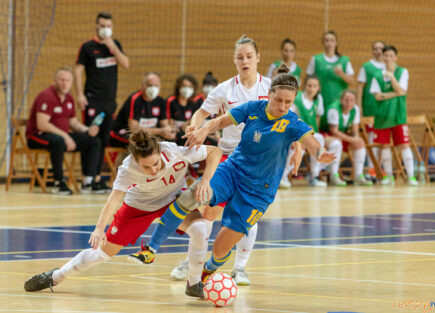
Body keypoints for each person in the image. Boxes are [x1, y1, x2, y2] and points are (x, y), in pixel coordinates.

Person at [128, 65, 335, 299]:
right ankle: (151, 249)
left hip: (258, 193)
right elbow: (220, 121)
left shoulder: (292, 122)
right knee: (193, 194)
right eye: (279, 100)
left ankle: (204, 276)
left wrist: (320, 154)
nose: (283, 107)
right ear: (269, 95)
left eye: (289, 102)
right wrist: (204, 130)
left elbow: (311, 141)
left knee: (222, 247)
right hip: (233, 171)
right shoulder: (253, 108)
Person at [161, 35, 289, 287]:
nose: (245, 60)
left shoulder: (270, 88)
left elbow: (289, 119)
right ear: (234, 59)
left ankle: (240, 268)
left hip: (258, 162)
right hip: (228, 156)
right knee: (206, 207)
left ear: (258, 58)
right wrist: (195, 126)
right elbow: (201, 112)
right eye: (240, 56)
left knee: (246, 215)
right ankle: (193, 262)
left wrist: (295, 148)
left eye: (249, 56)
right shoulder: (225, 89)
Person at [23, 130, 221, 292]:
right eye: (147, 167)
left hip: (173, 199)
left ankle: (193, 284)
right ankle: (56, 276)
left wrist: (205, 181)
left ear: (160, 153)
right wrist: (99, 228)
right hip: (139, 207)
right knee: (101, 254)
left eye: (156, 163)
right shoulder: (127, 169)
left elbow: (215, 152)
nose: (154, 170)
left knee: (200, 229)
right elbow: (113, 199)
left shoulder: (175, 151)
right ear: (136, 160)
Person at [74, 11, 129, 191]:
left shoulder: (115, 45)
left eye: (108, 26)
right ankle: (87, 179)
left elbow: (126, 64)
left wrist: (111, 44)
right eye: (102, 26)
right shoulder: (88, 47)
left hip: (109, 102)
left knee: (104, 139)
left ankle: (97, 178)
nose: (105, 29)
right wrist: (80, 94)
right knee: (91, 138)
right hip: (92, 101)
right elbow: (77, 70)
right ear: (97, 26)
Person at [26, 67, 101, 195]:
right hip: (37, 136)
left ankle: (88, 181)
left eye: (67, 80)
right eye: (61, 80)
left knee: (93, 141)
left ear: (71, 82)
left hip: (61, 136)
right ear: (54, 81)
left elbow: (73, 122)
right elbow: (42, 124)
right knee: (59, 141)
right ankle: (58, 182)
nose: (65, 83)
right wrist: (66, 136)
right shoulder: (47, 96)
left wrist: (87, 130)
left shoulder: (69, 98)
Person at [370, 45, 418, 186]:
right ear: (382, 57)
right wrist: (394, 93)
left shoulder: (403, 72)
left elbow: (401, 91)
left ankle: (411, 176)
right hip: (382, 115)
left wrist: (391, 77)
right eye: (386, 56)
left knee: (404, 144)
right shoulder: (377, 75)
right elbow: (378, 96)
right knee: (384, 146)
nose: (388, 58)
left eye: (391, 56)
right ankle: (389, 177)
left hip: (398, 114)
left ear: (396, 57)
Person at [287, 75, 343, 187]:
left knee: (336, 143)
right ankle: (314, 175)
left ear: (318, 88)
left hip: (312, 134)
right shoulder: (296, 99)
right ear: (304, 86)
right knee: (318, 138)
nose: (311, 88)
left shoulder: (319, 99)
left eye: (314, 86)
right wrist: (305, 128)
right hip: (296, 134)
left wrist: (311, 131)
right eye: (309, 85)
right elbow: (290, 120)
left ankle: (333, 175)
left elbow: (316, 123)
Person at [318, 90, 372, 186]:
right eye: (346, 100)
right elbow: (333, 131)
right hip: (325, 135)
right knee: (337, 143)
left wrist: (356, 139)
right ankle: (333, 175)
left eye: (352, 100)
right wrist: (353, 140)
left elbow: (355, 130)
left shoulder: (355, 110)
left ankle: (358, 176)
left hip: (342, 135)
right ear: (341, 100)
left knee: (360, 143)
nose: (349, 103)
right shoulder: (333, 109)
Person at [110, 72, 175, 147]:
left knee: (170, 140)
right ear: (143, 86)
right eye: (150, 85)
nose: (153, 88)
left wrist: (169, 132)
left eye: (156, 86)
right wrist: (160, 131)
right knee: (140, 140)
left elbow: (165, 126)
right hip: (123, 132)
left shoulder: (160, 101)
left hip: (148, 134)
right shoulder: (135, 99)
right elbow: (134, 129)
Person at [357, 41, 386, 178]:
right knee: (371, 139)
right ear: (372, 51)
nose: (378, 51)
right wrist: (359, 107)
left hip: (385, 109)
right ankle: (370, 168)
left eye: (381, 48)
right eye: (375, 48)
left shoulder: (389, 67)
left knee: (383, 139)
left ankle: (381, 168)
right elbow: (360, 88)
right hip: (370, 108)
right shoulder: (366, 67)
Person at [306, 31, 355, 108]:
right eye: (326, 40)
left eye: (332, 40)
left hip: (339, 101)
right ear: (323, 43)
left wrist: (341, 74)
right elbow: (307, 79)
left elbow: (352, 81)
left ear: (336, 43)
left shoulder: (344, 60)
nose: (329, 43)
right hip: (319, 99)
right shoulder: (316, 59)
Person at [166, 74, 199, 146]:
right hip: (172, 133)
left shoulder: (193, 103)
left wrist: (187, 123)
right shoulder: (170, 101)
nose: (187, 89)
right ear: (179, 87)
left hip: (186, 133)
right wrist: (173, 128)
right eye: (184, 86)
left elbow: (194, 119)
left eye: (190, 87)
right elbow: (168, 119)